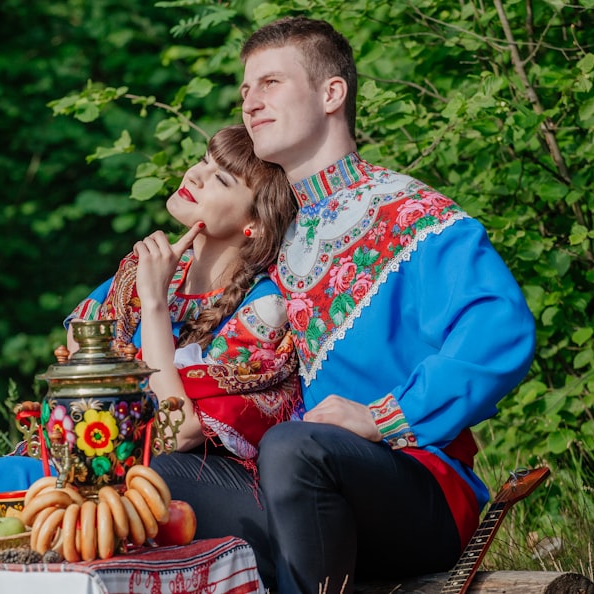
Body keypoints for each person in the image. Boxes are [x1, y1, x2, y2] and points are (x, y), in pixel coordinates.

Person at [156, 16, 537, 594]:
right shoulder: (274, 244)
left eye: (270, 84)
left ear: (332, 94)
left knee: (295, 446)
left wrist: (383, 416)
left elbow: (500, 331)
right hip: (290, 488)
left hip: (416, 487)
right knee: (151, 478)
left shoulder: (415, 216)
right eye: (244, 89)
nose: (249, 103)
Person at [0, 124, 301, 503]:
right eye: (202, 160)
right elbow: (79, 354)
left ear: (255, 223)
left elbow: (178, 431)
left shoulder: (263, 309)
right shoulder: (151, 268)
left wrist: (154, 305)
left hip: (173, 486)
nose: (194, 175)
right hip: (91, 458)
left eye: (219, 178)